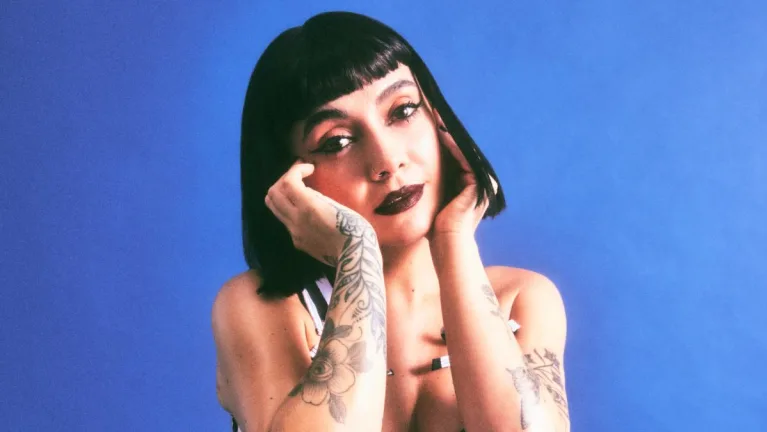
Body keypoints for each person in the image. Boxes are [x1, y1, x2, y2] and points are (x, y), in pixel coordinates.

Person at [212, 11, 569, 432]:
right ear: (289, 178)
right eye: (337, 141)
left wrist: (454, 239)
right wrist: (356, 251)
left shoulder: (521, 299)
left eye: (402, 111)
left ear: (439, 120)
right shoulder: (262, 308)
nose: (387, 161)